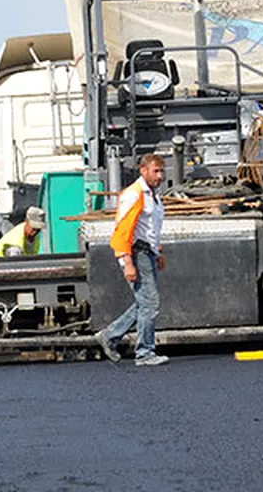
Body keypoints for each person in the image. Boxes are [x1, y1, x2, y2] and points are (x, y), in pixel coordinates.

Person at [95, 154, 169, 366]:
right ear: (143, 171)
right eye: (156, 171)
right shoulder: (135, 194)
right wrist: (127, 261)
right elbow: (123, 231)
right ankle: (145, 352)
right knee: (151, 302)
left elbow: (150, 228)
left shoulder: (153, 195)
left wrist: (159, 250)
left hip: (148, 252)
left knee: (144, 303)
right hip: (137, 253)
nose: (160, 176)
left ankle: (109, 336)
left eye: (161, 171)